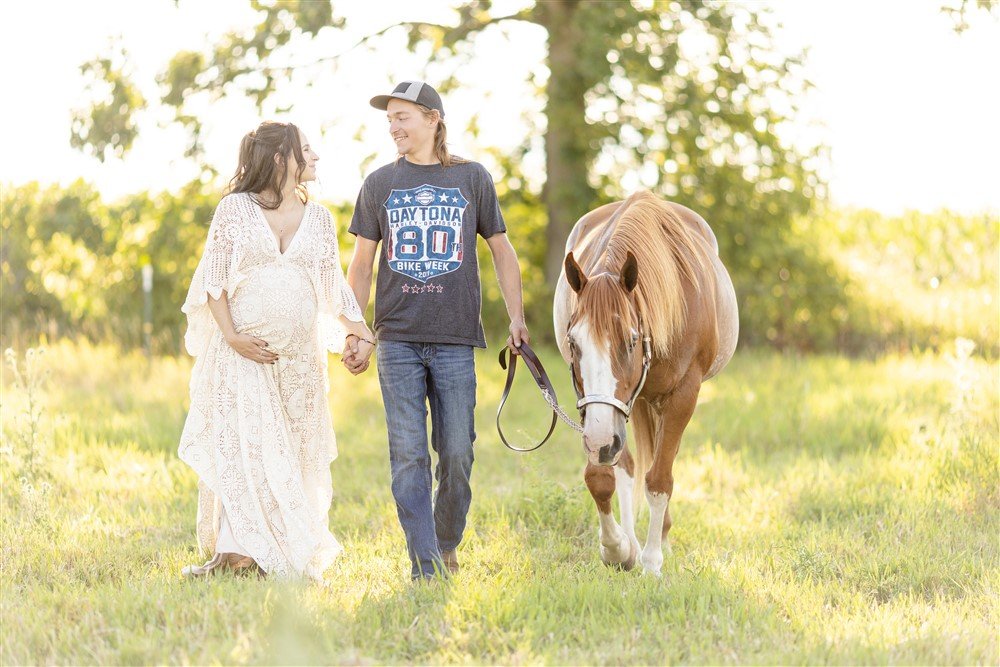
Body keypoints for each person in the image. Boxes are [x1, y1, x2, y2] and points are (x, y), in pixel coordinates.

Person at [343, 81, 528, 580]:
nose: (394, 128)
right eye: (390, 121)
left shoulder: (472, 179)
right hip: (397, 340)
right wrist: (354, 327)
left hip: (454, 340)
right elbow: (362, 264)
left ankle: (445, 543)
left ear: (432, 120)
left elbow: (502, 252)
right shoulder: (379, 183)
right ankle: (426, 566)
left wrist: (517, 318)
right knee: (408, 457)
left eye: (402, 118)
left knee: (458, 454)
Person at [178, 120, 373, 580]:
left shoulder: (320, 218)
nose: (316, 157)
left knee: (294, 452)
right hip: (244, 352)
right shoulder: (235, 210)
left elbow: (332, 289)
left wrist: (361, 334)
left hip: (300, 361)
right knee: (247, 448)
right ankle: (235, 554)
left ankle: (282, 549)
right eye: (306, 149)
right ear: (281, 158)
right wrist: (231, 337)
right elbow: (214, 282)